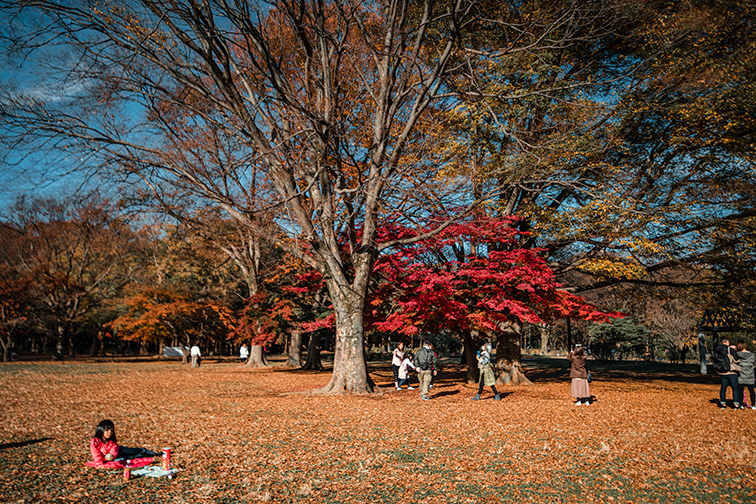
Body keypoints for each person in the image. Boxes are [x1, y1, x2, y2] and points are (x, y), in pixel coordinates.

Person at [87, 419, 159, 469]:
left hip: (117, 452)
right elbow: (96, 454)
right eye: (107, 430)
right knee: (123, 459)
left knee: (129, 451)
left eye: (111, 430)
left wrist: (112, 456)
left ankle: (142, 450)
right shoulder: (95, 442)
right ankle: (138, 456)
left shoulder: (112, 442)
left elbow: (114, 451)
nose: (110, 432)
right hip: (106, 459)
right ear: (101, 430)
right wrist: (100, 464)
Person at [713, 336, 741, 409]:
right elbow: (737, 360)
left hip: (722, 372)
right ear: (727, 342)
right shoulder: (730, 349)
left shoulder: (717, 350)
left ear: (720, 342)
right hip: (731, 371)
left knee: (723, 388)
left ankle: (723, 403)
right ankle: (736, 404)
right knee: (735, 388)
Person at [736, 341, 755, 409]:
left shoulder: (737, 354)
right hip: (750, 375)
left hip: (741, 375)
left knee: (740, 390)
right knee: (751, 391)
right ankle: (753, 404)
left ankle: (741, 404)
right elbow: (753, 363)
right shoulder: (751, 355)